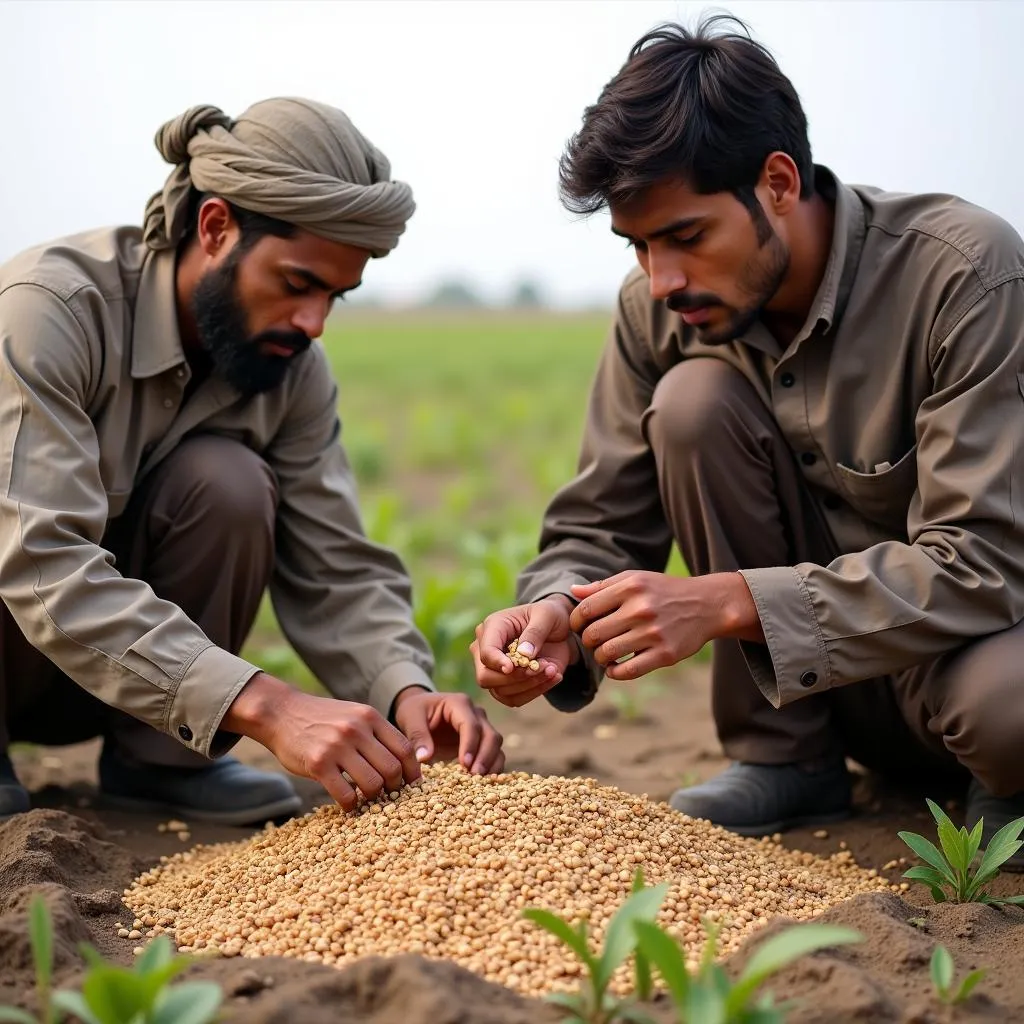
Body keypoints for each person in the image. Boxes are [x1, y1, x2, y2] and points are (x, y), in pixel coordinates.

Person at [472, 15, 1024, 868]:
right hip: (817, 691)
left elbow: (985, 563)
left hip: (963, 668)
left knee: (1010, 710)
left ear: (776, 182)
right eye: (638, 245)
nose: (662, 280)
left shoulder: (963, 273)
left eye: (686, 237)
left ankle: (1005, 788)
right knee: (694, 399)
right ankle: (786, 758)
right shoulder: (655, 311)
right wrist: (555, 610)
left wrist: (729, 601)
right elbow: (596, 523)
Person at [0, 98, 503, 826]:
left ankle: (160, 764)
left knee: (227, 482)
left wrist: (405, 693)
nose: (314, 323)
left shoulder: (291, 368)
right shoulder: (51, 312)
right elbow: (41, 561)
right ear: (215, 228)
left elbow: (334, 563)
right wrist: (267, 706)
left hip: (104, 680)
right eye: (298, 284)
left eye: (336, 295)